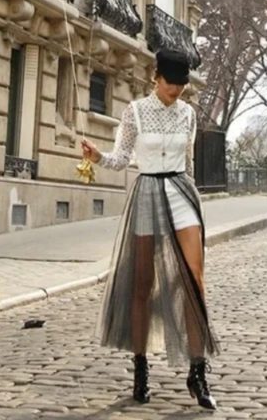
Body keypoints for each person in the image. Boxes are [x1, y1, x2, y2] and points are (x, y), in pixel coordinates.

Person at [81, 48, 219, 409]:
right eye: (171, 82)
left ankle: (197, 371)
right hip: (147, 192)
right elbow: (121, 159)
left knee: (194, 282)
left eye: (181, 83)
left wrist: (193, 197)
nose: (176, 89)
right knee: (142, 283)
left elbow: (188, 163)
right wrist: (97, 157)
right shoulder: (135, 112)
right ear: (156, 78)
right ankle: (140, 369)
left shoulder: (188, 114)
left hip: (181, 192)